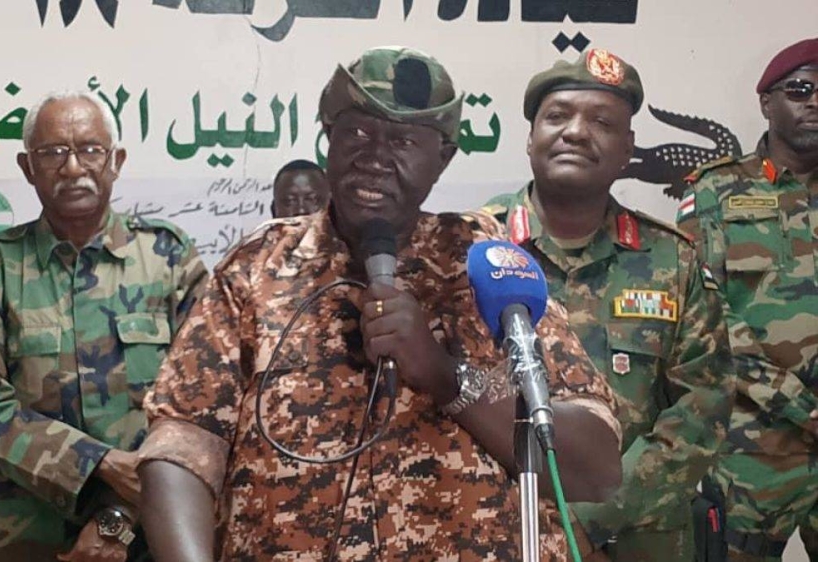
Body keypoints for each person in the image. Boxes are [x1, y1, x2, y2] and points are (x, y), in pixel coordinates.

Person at [137, 46, 623, 561]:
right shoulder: (255, 268)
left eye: (404, 141)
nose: (375, 157)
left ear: (443, 158)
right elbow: (180, 448)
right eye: (357, 133)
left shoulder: (491, 264)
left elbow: (595, 469)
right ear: (328, 137)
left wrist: (443, 374)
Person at [479, 49, 733, 561]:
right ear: (530, 137)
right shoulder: (473, 247)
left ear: (627, 150)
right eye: (557, 116)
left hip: (638, 539)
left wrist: (592, 519)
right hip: (500, 531)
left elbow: (702, 409)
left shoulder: (673, 259)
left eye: (601, 122)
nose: (576, 132)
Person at [0, 91, 209, 562]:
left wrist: (117, 519)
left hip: (150, 531)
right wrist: (95, 463)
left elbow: (203, 403)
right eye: (52, 152)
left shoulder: (168, 258)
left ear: (116, 161)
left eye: (90, 149)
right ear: (27, 167)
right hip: (23, 537)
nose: (72, 167)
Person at [677, 37, 818, 561]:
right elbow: (704, 313)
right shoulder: (714, 190)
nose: (814, 102)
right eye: (799, 90)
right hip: (752, 444)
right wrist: (800, 405)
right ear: (766, 102)